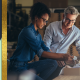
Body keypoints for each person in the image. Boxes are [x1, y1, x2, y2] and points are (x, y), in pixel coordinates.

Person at [8, 3, 73, 80]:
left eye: (47, 21)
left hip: (26, 66)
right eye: (44, 20)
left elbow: (46, 49)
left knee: (53, 63)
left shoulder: (37, 35)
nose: (45, 24)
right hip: (16, 68)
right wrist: (63, 56)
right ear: (36, 17)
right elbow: (41, 53)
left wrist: (58, 58)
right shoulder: (27, 31)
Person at [43, 6, 80, 80]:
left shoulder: (77, 32)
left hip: (61, 61)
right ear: (63, 16)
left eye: (73, 21)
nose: (70, 23)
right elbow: (46, 47)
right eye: (68, 19)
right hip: (47, 57)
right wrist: (56, 57)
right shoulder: (52, 27)